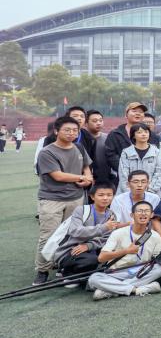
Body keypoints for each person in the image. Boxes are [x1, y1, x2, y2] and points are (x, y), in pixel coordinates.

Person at [33, 115, 92, 285]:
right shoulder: (47, 152)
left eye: (75, 130)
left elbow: (86, 166)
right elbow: (57, 176)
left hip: (75, 198)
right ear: (56, 131)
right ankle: (42, 270)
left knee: (71, 235)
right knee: (48, 236)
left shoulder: (79, 147)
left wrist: (88, 177)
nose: (71, 133)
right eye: (67, 130)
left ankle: (63, 266)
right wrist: (81, 177)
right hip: (52, 199)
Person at [87, 200, 161, 300]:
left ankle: (111, 290)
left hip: (140, 272)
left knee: (159, 269)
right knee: (93, 279)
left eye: (146, 211)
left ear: (152, 215)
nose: (143, 213)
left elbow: (155, 261)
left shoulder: (155, 236)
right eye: (139, 211)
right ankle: (137, 290)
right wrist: (126, 251)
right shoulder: (118, 233)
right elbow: (101, 258)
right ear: (132, 215)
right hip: (117, 272)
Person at [52, 183, 119, 281]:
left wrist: (89, 245)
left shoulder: (111, 215)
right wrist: (103, 227)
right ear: (92, 196)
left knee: (115, 253)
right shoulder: (81, 210)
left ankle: (84, 275)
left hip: (93, 250)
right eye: (101, 195)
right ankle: (67, 273)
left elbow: (107, 238)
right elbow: (76, 231)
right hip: (72, 250)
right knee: (92, 260)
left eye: (109, 195)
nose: (105, 198)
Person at [104, 102, 148, 187]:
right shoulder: (115, 134)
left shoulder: (151, 135)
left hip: (146, 179)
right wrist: (126, 170)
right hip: (123, 179)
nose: (138, 113)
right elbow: (110, 155)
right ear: (126, 115)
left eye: (141, 112)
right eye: (134, 111)